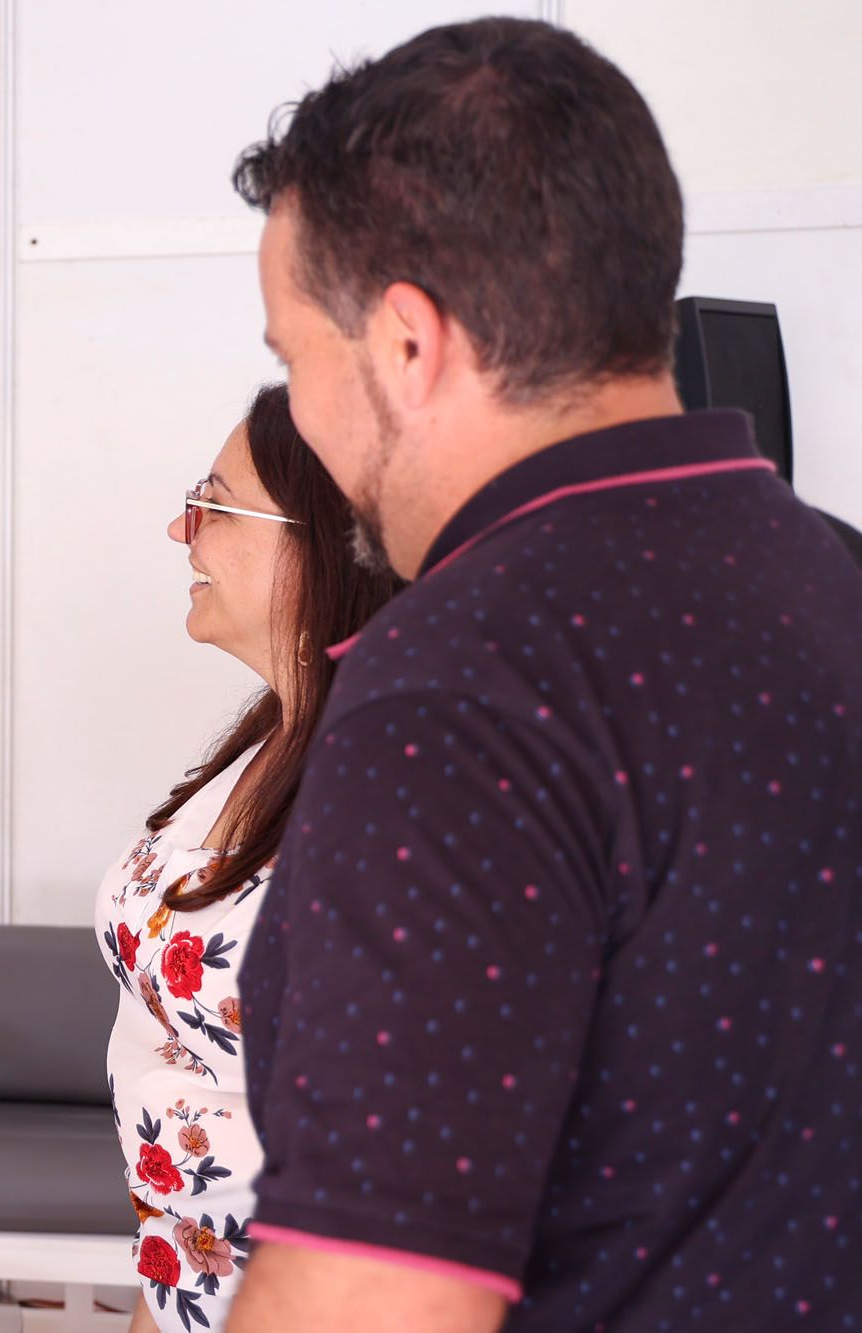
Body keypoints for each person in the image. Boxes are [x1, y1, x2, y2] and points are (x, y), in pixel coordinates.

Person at [222, 17, 862, 1331]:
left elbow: (369, 1303)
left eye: (295, 362)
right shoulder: (841, 578)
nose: (302, 412)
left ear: (408, 340)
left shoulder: (461, 684)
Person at [98, 384, 398, 1332]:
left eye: (215, 502)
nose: (181, 527)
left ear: (322, 540)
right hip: (192, 1282)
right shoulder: (275, 735)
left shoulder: (399, 790)